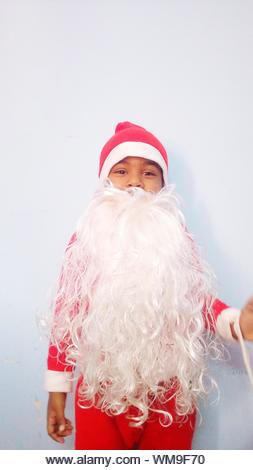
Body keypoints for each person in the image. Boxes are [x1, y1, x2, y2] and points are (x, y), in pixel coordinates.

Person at [44, 121, 253, 450]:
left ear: (163, 184)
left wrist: (236, 323)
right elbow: (66, 318)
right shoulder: (87, 240)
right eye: (122, 171)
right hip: (100, 393)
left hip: (169, 398)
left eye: (148, 173)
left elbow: (199, 302)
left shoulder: (175, 239)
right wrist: (57, 392)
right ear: (106, 180)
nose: (135, 183)